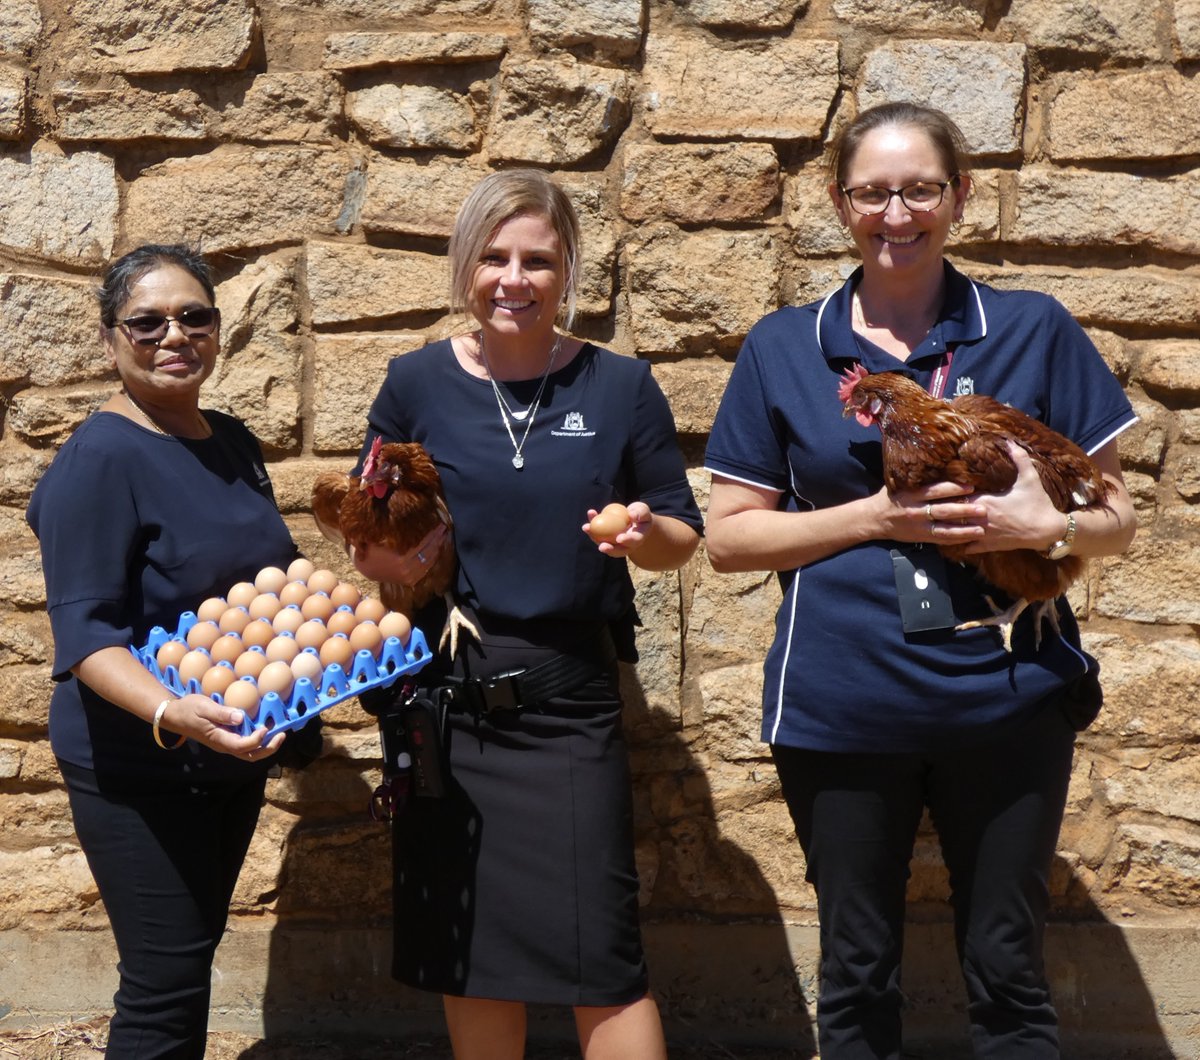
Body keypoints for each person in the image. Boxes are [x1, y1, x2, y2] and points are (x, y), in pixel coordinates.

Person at [704, 102, 1138, 1059]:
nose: (895, 214)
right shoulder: (785, 346)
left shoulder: (1032, 329)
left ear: (960, 197)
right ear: (838, 202)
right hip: (841, 708)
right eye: (871, 193)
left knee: (1009, 973)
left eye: (918, 190)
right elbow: (729, 541)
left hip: (1010, 701)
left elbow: (1121, 519)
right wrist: (874, 519)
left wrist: (1049, 522)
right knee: (857, 977)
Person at [350, 169, 702, 1060]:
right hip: (449, 705)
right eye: (496, 257)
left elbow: (681, 534)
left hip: (567, 707)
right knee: (470, 958)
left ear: (567, 269)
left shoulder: (619, 387)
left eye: (538, 260)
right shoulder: (414, 383)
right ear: (467, 265)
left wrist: (638, 530)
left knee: (605, 963)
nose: (515, 279)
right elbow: (369, 536)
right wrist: (401, 558)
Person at [26, 244, 300, 1059]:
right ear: (111, 339)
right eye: (145, 322)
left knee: (188, 958)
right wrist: (170, 709)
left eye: (194, 316)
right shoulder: (100, 458)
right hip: (141, 759)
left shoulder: (234, 442)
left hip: (223, 748)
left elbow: (262, 588)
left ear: (218, 329)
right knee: (164, 986)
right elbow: (86, 639)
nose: (173, 335)